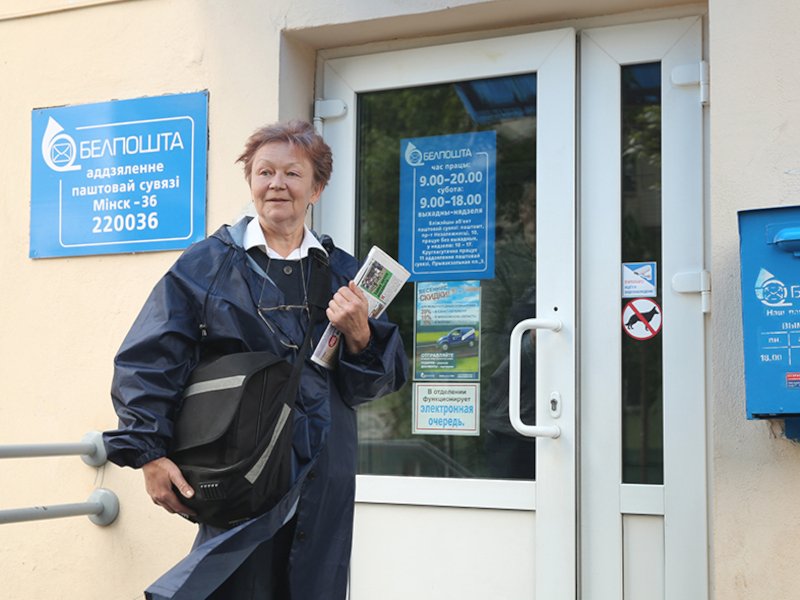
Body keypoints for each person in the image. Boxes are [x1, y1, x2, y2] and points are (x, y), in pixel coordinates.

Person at [103, 120, 408, 599]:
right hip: (238, 466)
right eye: (265, 172)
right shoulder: (207, 265)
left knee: (314, 585)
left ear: (316, 188)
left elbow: (372, 385)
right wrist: (150, 454)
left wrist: (359, 333)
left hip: (324, 469)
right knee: (235, 585)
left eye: (292, 173)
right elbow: (150, 358)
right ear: (251, 182)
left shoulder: (345, 274)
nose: (277, 184)